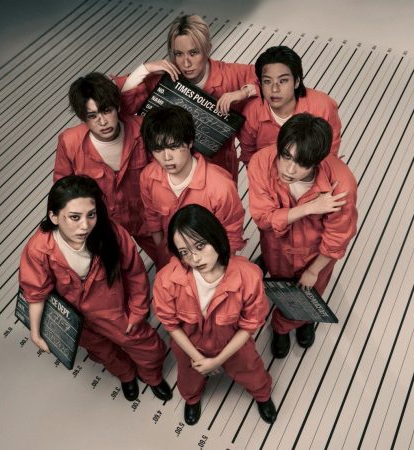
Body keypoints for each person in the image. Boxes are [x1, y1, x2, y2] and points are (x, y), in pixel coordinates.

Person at [19, 175, 172, 402]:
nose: (85, 226)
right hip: (79, 322)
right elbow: (35, 291)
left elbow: (135, 273)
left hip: (115, 312)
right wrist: (35, 331)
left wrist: (138, 311)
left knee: (145, 346)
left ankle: (152, 377)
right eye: (74, 217)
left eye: (91, 215)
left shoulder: (111, 233)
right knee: (103, 352)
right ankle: (126, 375)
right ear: (54, 216)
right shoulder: (38, 249)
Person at [153, 204, 277, 425]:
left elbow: (249, 325)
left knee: (251, 370)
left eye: (200, 246)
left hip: (233, 343)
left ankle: (262, 395)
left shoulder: (248, 276)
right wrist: (198, 358)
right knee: (188, 377)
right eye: (184, 252)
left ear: (216, 236)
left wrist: (218, 360)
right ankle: (192, 398)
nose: (194, 258)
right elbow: (171, 325)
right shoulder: (166, 279)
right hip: (189, 346)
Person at [247, 113, 357, 358]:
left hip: (315, 255)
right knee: (280, 281)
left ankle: (286, 324)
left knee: (311, 291)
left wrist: (314, 270)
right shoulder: (261, 162)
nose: (289, 169)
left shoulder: (342, 185)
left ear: (317, 161)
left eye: (301, 163)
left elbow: (337, 238)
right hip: (276, 246)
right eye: (285, 155)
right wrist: (309, 208)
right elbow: (263, 218)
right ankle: (295, 319)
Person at [115, 14, 259, 182]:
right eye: (178, 54)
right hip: (169, 172)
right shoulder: (161, 77)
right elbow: (121, 103)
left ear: (208, 49)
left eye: (193, 53)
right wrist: (145, 69)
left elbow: (270, 76)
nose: (186, 63)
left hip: (216, 170)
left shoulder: (229, 74)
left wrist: (243, 92)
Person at [53, 72, 157, 262]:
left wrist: (145, 67)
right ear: (83, 118)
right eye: (92, 116)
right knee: (115, 274)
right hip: (104, 227)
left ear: (117, 106)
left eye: (106, 110)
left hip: (148, 220)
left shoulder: (143, 130)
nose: (102, 122)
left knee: (172, 264)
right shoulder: (70, 142)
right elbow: (63, 192)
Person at [139, 105, 246, 269]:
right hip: (170, 260)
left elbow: (232, 233)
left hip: (210, 263)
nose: (167, 157)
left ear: (190, 142)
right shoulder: (148, 177)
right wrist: (162, 252)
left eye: (174, 147)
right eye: (158, 149)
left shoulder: (221, 186)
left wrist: (216, 270)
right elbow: (152, 216)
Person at [238, 45, 342, 166]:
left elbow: (329, 154)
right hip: (268, 174)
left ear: (297, 81)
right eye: (267, 81)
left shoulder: (323, 107)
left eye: (283, 81)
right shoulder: (251, 113)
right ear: (260, 84)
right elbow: (249, 157)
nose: (274, 89)